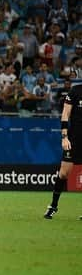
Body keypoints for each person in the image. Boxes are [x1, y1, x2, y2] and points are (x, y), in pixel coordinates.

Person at [44, 82, 82, 219]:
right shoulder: (75, 91)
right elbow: (65, 114)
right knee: (64, 173)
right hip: (74, 139)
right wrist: (64, 137)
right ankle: (53, 206)